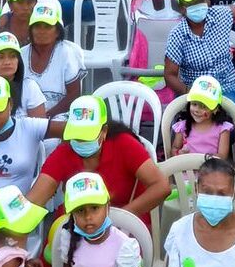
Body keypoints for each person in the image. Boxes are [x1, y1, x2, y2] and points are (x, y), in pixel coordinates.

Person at [27, 96, 171, 231]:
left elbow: (161, 187)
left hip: (125, 224)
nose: (81, 141)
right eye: (77, 135)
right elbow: (34, 200)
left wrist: (118, 218)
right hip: (79, 221)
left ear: (104, 131)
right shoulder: (65, 151)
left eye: (87, 135)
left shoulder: (124, 144)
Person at [165, 0, 235, 115]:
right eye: (192, 2)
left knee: (234, 115)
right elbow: (169, 75)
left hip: (227, 84)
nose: (199, 5)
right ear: (182, 8)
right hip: (195, 88)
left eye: (201, 0)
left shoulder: (219, 15)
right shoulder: (177, 34)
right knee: (190, 124)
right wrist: (191, 93)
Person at [20, 0, 85, 118]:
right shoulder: (20, 55)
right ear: (31, 30)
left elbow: (74, 95)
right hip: (26, 116)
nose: (41, 31)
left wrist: (47, 115)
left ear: (57, 31)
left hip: (59, 115)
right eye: (37, 26)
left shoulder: (67, 53)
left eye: (47, 27)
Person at [170, 75, 233, 158]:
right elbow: (174, 149)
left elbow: (222, 157)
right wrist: (179, 153)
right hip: (187, 168)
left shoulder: (223, 129)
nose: (197, 110)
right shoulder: (183, 126)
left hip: (211, 169)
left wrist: (204, 159)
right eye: (194, 104)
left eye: (203, 106)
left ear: (215, 109)